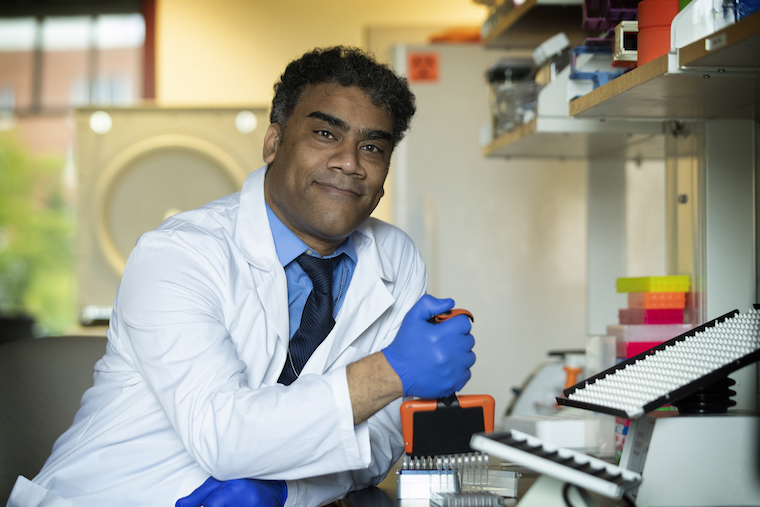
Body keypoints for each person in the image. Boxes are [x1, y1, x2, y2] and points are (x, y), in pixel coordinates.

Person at [7, 46, 475, 507]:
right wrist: (393, 370)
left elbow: (384, 435)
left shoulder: (396, 258)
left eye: (372, 146)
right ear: (274, 143)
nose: (349, 162)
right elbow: (222, 435)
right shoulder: (177, 253)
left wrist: (285, 492)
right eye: (325, 135)